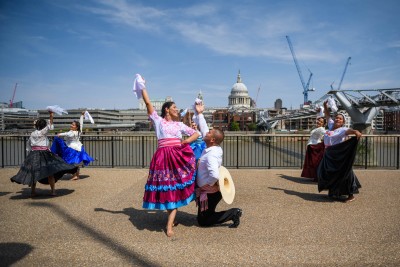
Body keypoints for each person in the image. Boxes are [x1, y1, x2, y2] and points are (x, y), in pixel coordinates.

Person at [140, 84, 200, 237]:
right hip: (162, 158)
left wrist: (185, 143)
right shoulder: (158, 121)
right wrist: (143, 87)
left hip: (177, 157)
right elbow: (148, 104)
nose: (176, 109)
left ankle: (169, 225)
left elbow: (196, 133)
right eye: (174, 106)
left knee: (174, 187)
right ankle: (170, 220)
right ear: (166, 109)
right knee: (167, 187)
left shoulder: (179, 124)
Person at [10, 111, 78, 197]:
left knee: (34, 173)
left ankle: (33, 192)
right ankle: (53, 191)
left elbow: (29, 145)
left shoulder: (33, 133)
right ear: (43, 126)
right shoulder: (43, 132)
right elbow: (50, 126)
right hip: (44, 154)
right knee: (50, 172)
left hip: (33, 154)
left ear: (37, 125)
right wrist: (51, 116)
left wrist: (31, 151)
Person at [195, 123, 242, 228]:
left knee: (203, 221)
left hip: (210, 191)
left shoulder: (211, 154)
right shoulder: (214, 149)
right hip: (211, 191)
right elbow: (204, 129)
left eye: (209, 132)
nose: (206, 132)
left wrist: (208, 185)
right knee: (203, 218)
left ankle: (233, 213)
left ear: (212, 140)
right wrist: (199, 114)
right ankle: (231, 214)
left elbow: (214, 175)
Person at [317, 100, 362, 202]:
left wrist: (355, 131)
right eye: (337, 117)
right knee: (328, 173)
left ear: (343, 122)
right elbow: (327, 115)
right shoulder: (331, 125)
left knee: (344, 172)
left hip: (337, 154)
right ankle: (333, 192)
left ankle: (351, 194)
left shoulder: (342, 130)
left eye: (340, 119)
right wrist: (325, 106)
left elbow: (348, 131)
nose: (337, 119)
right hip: (328, 153)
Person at [51, 112, 94, 180]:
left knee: (71, 162)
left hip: (72, 148)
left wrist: (59, 134)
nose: (71, 125)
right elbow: (81, 124)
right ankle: (76, 175)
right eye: (72, 124)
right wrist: (82, 116)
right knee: (76, 162)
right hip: (79, 147)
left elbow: (67, 134)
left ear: (76, 127)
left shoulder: (72, 132)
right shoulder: (79, 131)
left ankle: (75, 175)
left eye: (73, 125)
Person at [301, 117, 326, 182]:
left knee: (315, 162)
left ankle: (317, 177)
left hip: (315, 147)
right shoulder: (317, 128)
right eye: (318, 120)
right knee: (312, 163)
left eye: (321, 122)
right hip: (312, 146)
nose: (319, 122)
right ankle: (315, 176)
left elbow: (326, 133)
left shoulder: (321, 129)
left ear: (323, 124)